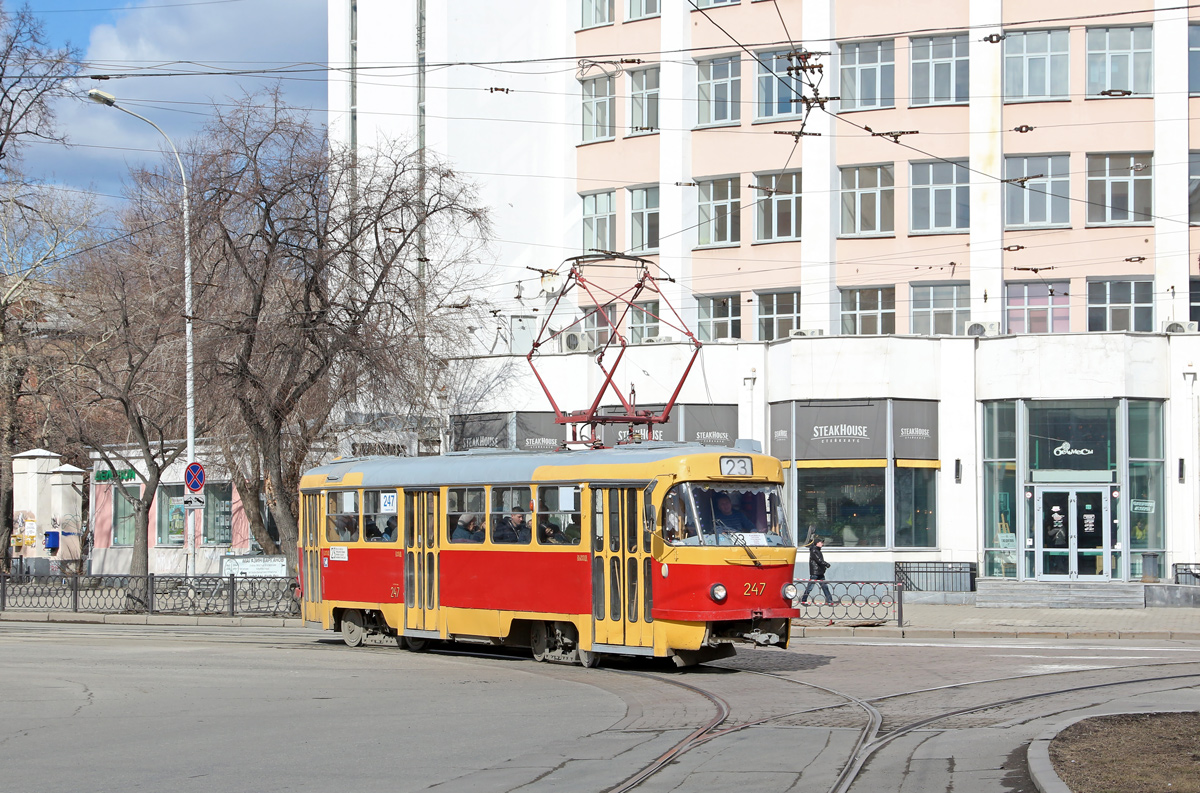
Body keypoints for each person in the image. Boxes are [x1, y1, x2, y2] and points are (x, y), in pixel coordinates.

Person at [801, 536, 834, 604]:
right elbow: (819, 560)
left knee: (825, 587)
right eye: (821, 542)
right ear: (817, 543)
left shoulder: (817, 550)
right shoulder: (814, 550)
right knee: (810, 587)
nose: (822, 544)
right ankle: (803, 600)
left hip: (820, 572)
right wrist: (826, 564)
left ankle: (830, 600)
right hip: (815, 572)